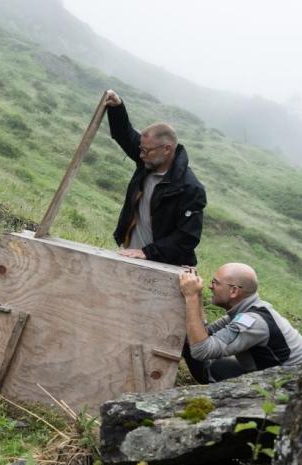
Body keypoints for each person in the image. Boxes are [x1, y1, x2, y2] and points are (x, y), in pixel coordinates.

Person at [105, 89, 206, 266]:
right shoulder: (149, 161)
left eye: (146, 151)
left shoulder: (190, 189)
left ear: (166, 149)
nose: (141, 155)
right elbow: (125, 135)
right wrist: (117, 107)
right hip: (131, 255)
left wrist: (147, 252)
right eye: (141, 150)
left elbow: (187, 237)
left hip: (162, 265)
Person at [179, 263, 302, 383]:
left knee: (202, 356)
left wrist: (192, 296)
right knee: (213, 362)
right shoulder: (246, 311)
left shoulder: (252, 322)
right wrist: (198, 295)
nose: (210, 286)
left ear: (234, 291)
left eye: (215, 282)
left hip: (288, 386)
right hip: (273, 375)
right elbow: (204, 334)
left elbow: (201, 350)